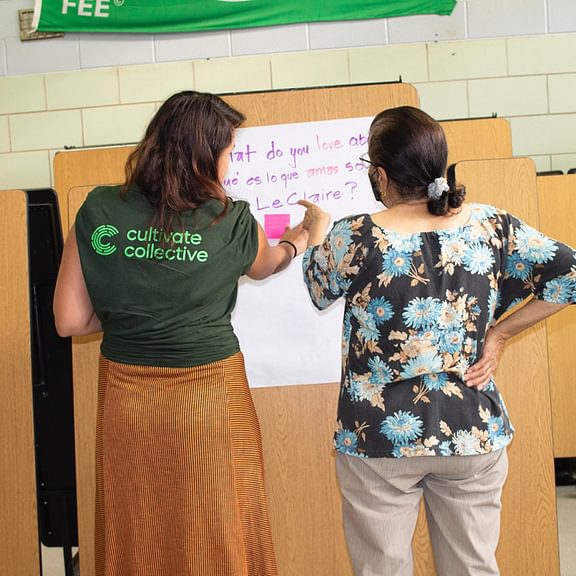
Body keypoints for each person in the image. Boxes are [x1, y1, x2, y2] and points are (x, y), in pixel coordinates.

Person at [298, 106, 576, 576]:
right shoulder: (491, 226)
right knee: (473, 568)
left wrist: (316, 229)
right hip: (471, 427)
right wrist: (500, 333)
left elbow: (318, 285)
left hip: (378, 435)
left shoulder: (357, 236)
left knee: (381, 570)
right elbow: (569, 274)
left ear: (381, 176)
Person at [53, 90, 309, 576]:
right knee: (222, 526)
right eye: (229, 151)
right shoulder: (231, 220)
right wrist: (300, 236)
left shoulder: (100, 209)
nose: (231, 163)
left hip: (129, 403)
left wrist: (139, 311)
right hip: (211, 399)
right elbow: (267, 265)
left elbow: (69, 321)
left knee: (140, 528)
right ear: (205, 154)